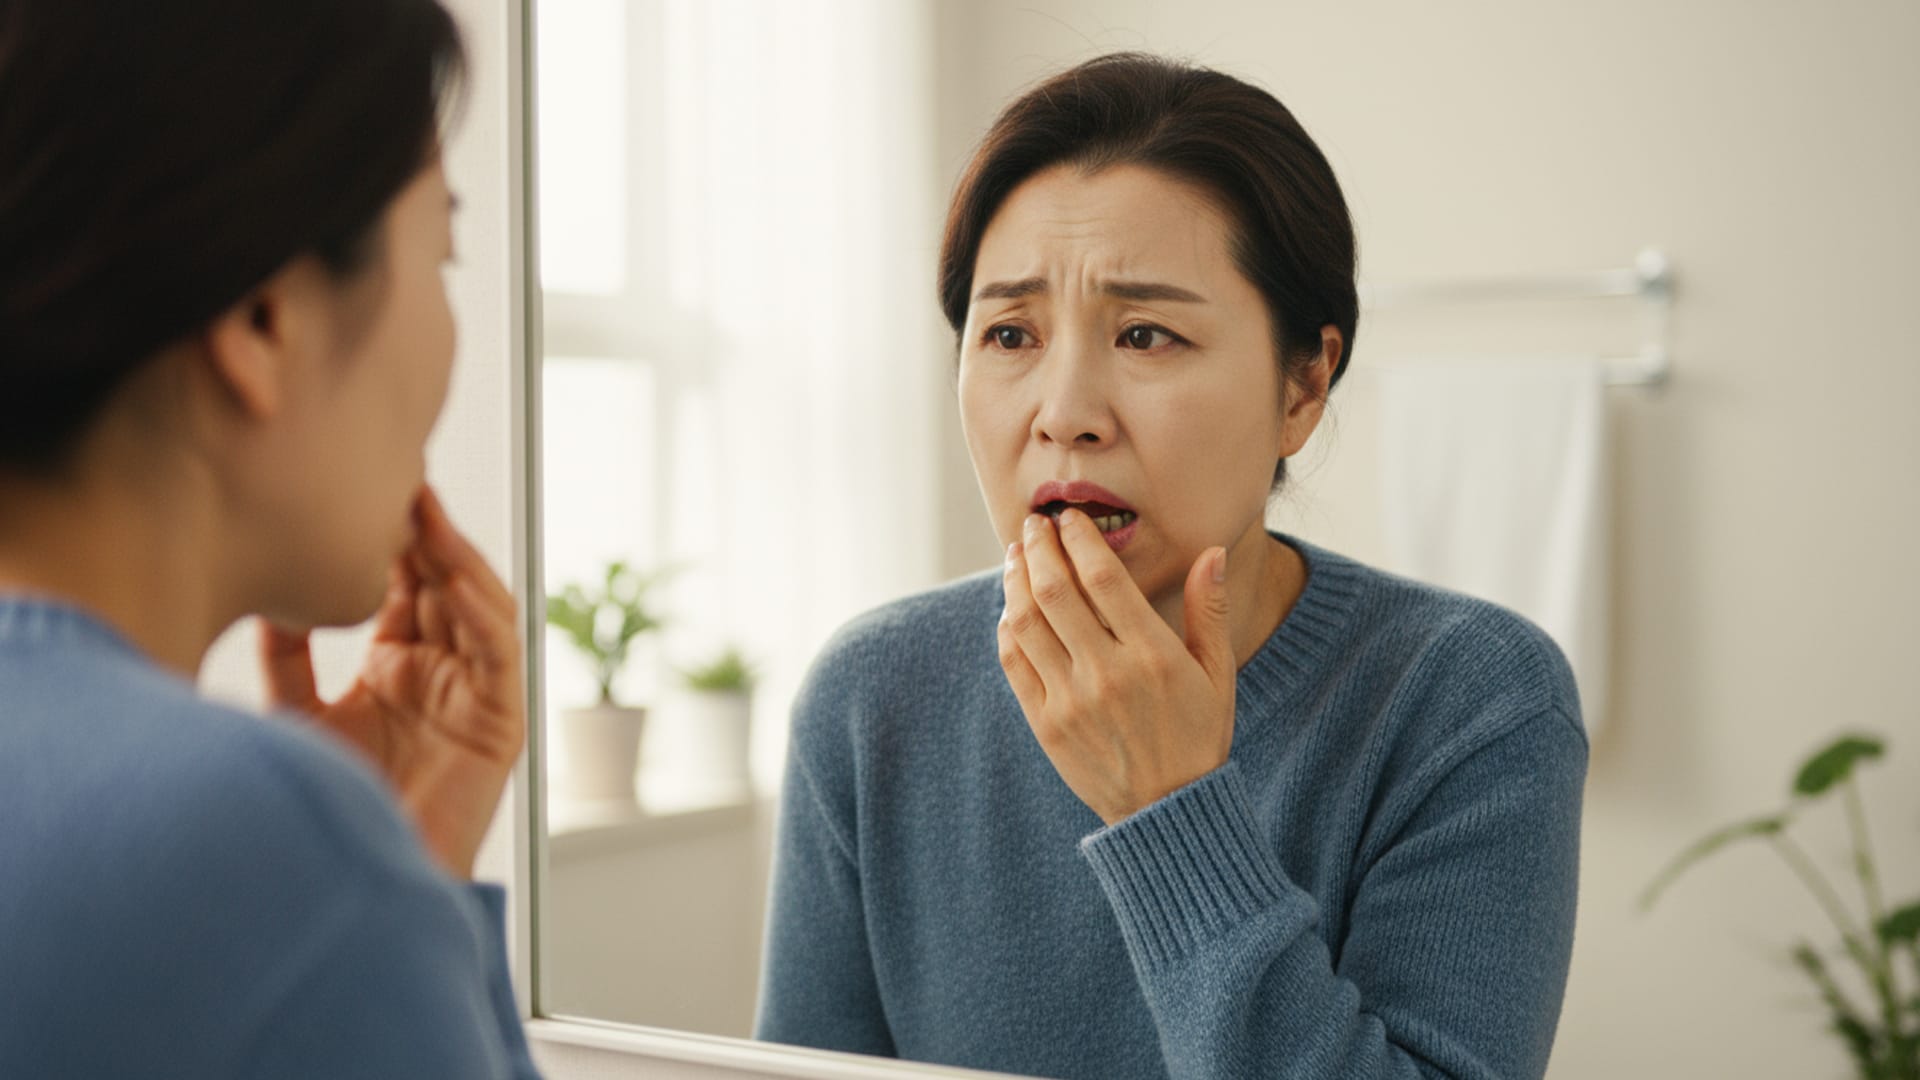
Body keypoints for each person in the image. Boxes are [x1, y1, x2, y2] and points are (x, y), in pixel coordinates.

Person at [756, 52, 1587, 1080]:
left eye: (1146, 334)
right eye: (1010, 332)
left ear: (1303, 385)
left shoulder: (1469, 697)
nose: (1063, 414)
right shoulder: (870, 695)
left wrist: (1169, 812)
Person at [0, 2, 539, 1075]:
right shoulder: (255, 838)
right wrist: (356, 882)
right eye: (443, 251)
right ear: (262, 320)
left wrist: (400, 884)